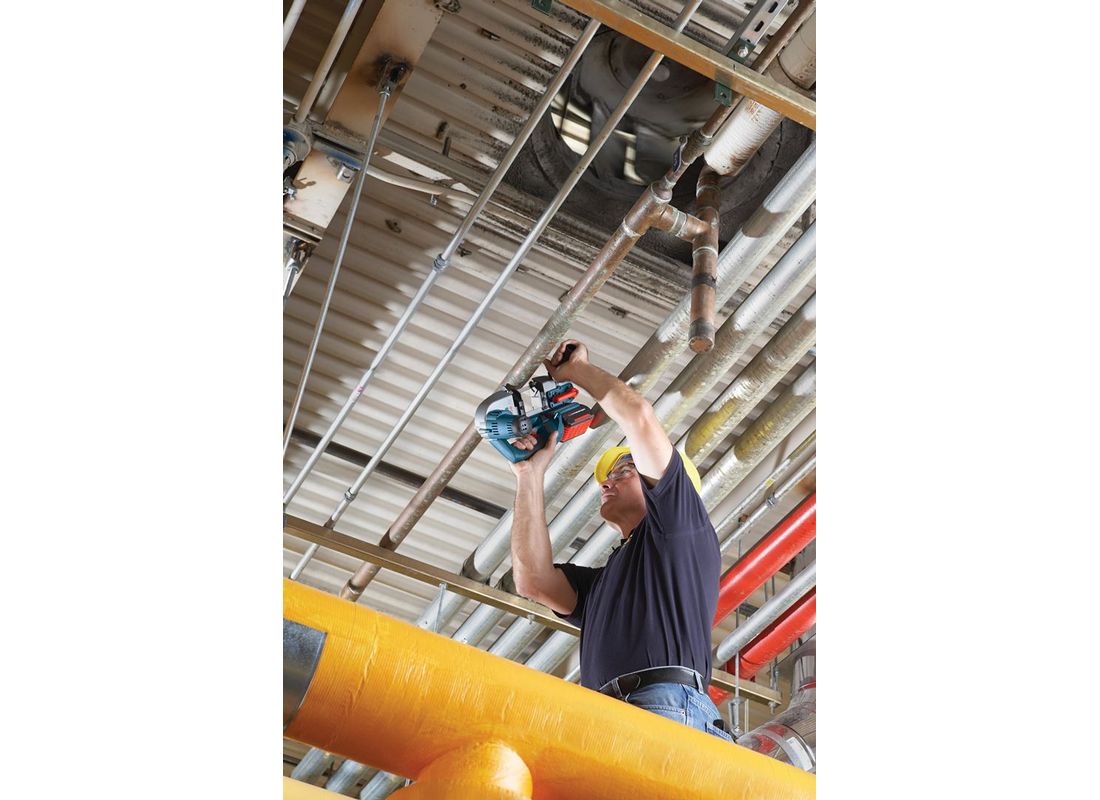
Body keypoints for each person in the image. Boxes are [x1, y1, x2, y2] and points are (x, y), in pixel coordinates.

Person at [509, 339, 731, 742]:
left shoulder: (680, 526)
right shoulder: (608, 583)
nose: (606, 482)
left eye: (624, 470)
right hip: (606, 716)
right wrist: (529, 474)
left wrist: (575, 371)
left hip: (663, 705)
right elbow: (533, 581)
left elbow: (639, 417)